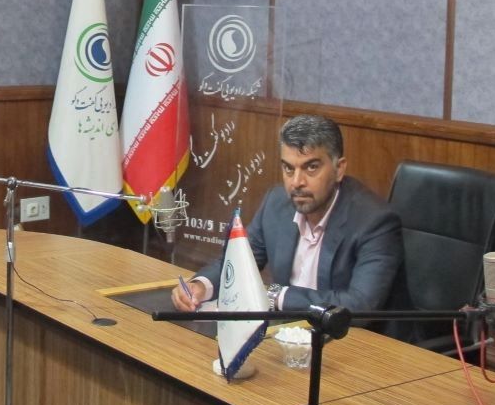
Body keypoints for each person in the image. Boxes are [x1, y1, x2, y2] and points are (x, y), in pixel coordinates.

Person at [172, 114, 403, 314]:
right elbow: (238, 263)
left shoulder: (374, 221)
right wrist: (201, 286)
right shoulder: (276, 203)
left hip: (354, 341)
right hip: (287, 332)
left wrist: (277, 296)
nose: (297, 182)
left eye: (311, 167)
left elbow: (360, 305)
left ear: (339, 169)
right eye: (288, 168)